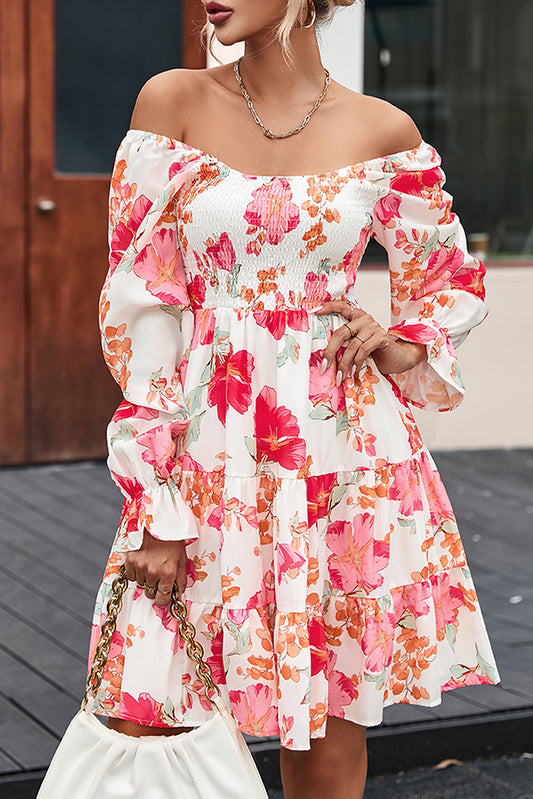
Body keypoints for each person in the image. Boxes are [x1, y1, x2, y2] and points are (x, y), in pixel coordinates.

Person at [91, 1, 500, 797]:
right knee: (152, 705)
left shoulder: (381, 129)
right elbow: (141, 306)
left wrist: (402, 340)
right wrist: (154, 504)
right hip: (209, 459)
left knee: (328, 733)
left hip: (346, 459)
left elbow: (447, 276)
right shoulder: (170, 102)